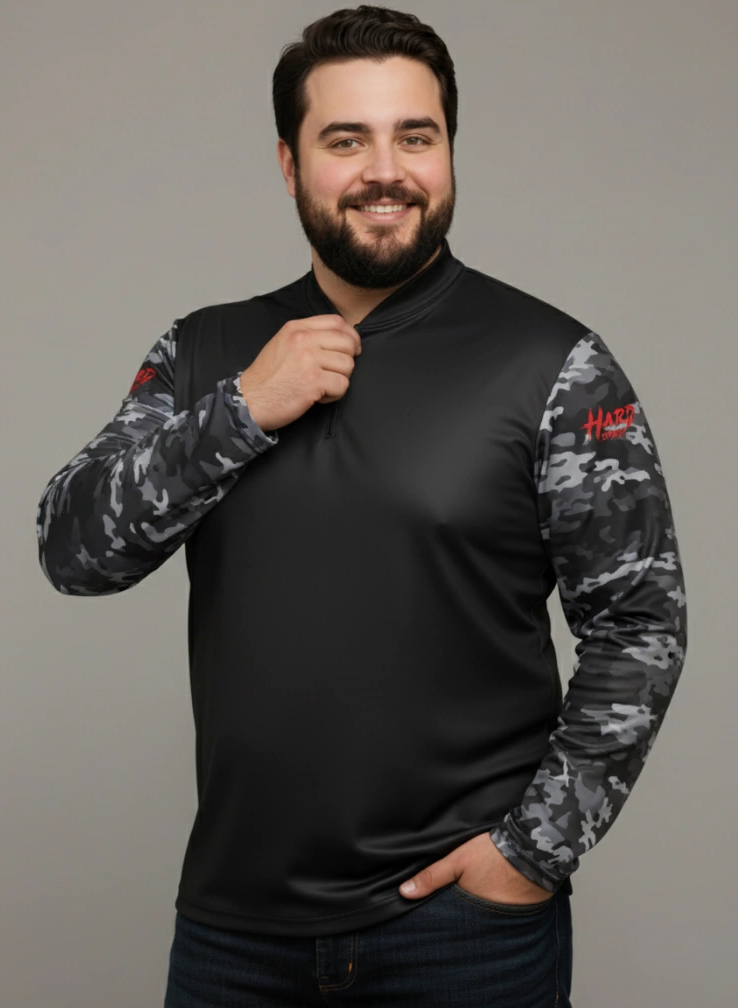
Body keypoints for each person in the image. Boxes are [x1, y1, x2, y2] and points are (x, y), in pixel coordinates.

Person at [36, 6, 687, 1006]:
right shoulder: (206, 353)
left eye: (415, 137)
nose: (387, 171)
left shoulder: (553, 364)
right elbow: (74, 550)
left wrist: (531, 853)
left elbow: (640, 623)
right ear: (290, 164)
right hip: (232, 936)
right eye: (346, 140)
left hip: (464, 940)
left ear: (449, 150)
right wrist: (244, 409)